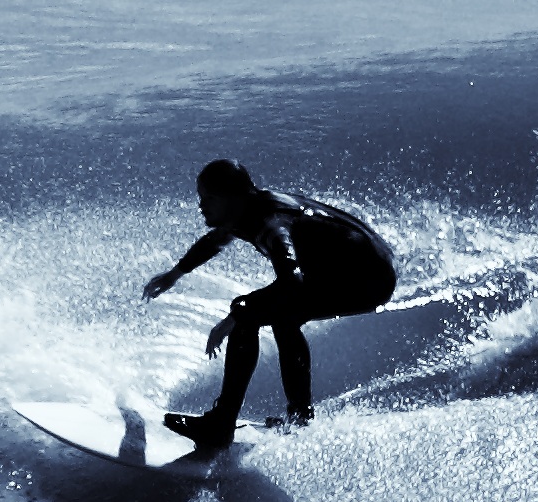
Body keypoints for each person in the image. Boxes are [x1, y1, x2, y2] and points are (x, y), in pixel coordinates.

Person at [140, 159, 397, 448]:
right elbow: (218, 239)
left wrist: (236, 316)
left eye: (209, 198)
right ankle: (298, 416)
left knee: (254, 312)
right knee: (279, 316)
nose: (202, 205)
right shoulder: (248, 209)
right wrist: (176, 273)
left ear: (233, 197)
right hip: (359, 267)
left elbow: (293, 282)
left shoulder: (272, 224)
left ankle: (221, 424)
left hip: (367, 279)